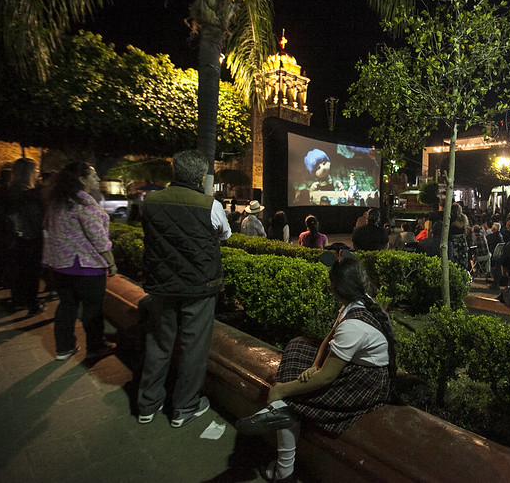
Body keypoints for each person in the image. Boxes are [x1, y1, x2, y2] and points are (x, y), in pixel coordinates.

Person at [235, 255, 395, 483]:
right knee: (299, 344)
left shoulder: (355, 327)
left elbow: (327, 377)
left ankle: (283, 468)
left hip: (365, 381)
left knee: (297, 399)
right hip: (352, 364)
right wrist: (314, 365)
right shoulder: (357, 303)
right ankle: (281, 410)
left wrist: (281, 391)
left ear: (337, 288)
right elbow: (330, 337)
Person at [137, 150, 232, 428]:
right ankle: (184, 407)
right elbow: (225, 235)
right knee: (194, 348)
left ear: (174, 173)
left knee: (158, 343)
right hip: (199, 287)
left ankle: (148, 404)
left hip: (161, 284)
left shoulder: (150, 201)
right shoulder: (209, 205)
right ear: (202, 177)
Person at [43, 162, 117, 360]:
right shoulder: (85, 203)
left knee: (67, 305)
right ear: (82, 179)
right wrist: (111, 262)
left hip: (61, 264)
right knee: (92, 310)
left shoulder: (58, 201)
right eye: (93, 176)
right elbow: (98, 237)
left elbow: (49, 228)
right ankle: (96, 347)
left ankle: (64, 348)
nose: (98, 179)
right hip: (86, 265)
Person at [4, 158, 45, 315]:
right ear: (29, 172)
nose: (38, 173)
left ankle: (18, 300)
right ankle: (32, 305)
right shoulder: (30, 195)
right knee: (31, 273)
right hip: (30, 238)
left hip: (14, 239)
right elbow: (34, 219)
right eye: (35, 170)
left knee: (19, 272)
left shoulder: (9, 191)